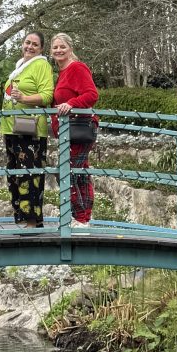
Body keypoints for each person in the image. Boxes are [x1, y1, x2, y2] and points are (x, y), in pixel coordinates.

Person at [0, 31, 55, 227]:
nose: (29, 47)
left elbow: (47, 95)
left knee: (29, 174)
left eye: (34, 44)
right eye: (27, 42)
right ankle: (21, 217)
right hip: (11, 127)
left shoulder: (41, 65)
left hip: (29, 129)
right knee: (15, 173)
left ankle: (32, 220)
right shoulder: (19, 66)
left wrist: (24, 99)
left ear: (41, 49)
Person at [50, 32, 99, 226]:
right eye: (55, 47)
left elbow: (91, 94)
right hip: (68, 129)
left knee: (70, 171)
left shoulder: (77, 68)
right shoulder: (63, 73)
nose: (59, 50)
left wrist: (71, 103)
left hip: (79, 127)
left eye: (62, 47)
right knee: (77, 171)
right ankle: (81, 216)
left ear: (70, 49)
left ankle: (81, 217)